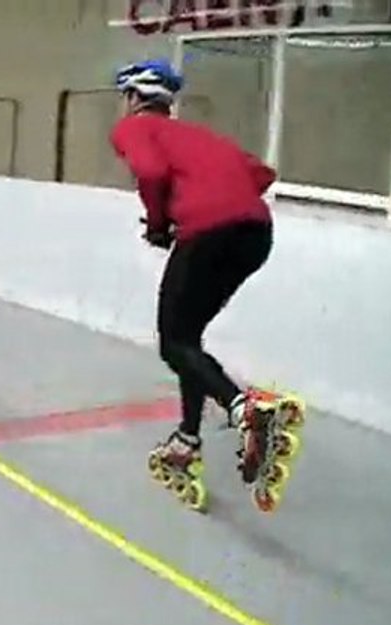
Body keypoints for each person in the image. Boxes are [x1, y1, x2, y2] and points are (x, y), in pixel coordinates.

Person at [109, 58, 305, 512]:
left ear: (134, 98)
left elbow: (151, 172)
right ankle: (186, 441)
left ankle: (246, 411)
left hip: (208, 233)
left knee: (173, 343)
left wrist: (159, 224)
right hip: (256, 234)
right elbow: (262, 174)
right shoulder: (200, 135)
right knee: (188, 340)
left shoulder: (135, 128)